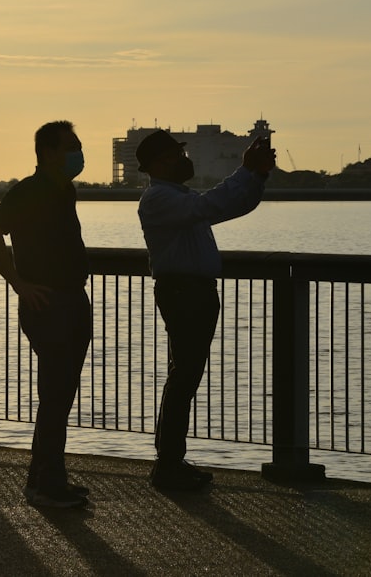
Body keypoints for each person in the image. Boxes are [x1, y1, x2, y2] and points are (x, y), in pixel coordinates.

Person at [137, 130, 276, 490]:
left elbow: (229, 205)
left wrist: (256, 177)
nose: (184, 160)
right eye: (175, 155)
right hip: (184, 293)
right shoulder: (159, 199)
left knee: (185, 376)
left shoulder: (178, 198)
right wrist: (245, 172)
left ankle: (170, 461)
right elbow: (212, 205)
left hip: (193, 292)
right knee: (183, 377)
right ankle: (167, 464)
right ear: (156, 164)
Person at [0, 120, 92, 508]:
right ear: (48, 153)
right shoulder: (30, 190)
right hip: (49, 303)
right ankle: (48, 485)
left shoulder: (65, 190)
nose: (78, 153)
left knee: (62, 392)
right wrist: (19, 284)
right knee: (56, 394)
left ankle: (42, 476)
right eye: (71, 147)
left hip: (72, 299)